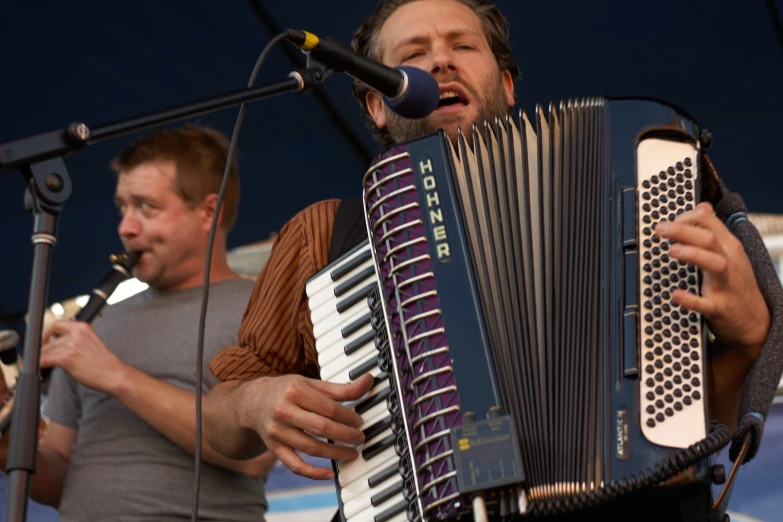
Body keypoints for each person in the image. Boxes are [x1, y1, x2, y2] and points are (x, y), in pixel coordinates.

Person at [202, 0, 771, 517]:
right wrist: (254, 401)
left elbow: (696, 433)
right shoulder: (323, 234)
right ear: (376, 104)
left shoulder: (627, 183)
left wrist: (747, 339)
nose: (441, 62)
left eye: (462, 45)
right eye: (413, 54)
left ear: (503, 83)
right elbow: (220, 423)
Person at [0, 125, 276, 521]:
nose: (125, 227)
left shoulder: (258, 309)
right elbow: (58, 475)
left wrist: (115, 375)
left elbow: (257, 457)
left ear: (208, 213)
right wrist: (5, 437)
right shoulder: (97, 323)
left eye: (146, 207)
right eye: (122, 207)